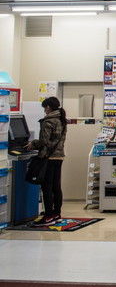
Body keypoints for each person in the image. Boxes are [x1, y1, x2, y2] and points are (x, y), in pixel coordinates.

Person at [24, 96, 67, 226]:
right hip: (59, 156)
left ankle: (48, 216)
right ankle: (56, 214)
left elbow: (44, 140)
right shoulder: (61, 119)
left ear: (48, 107)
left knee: (46, 187)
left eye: (44, 108)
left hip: (48, 157)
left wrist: (33, 143)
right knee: (56, 186)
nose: (44, 111)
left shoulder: (48, 121)